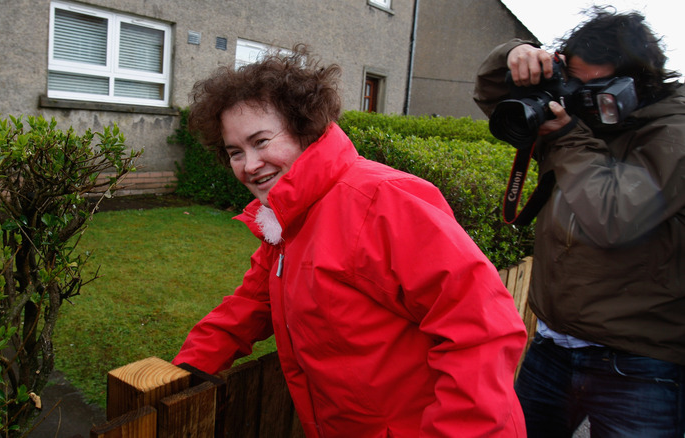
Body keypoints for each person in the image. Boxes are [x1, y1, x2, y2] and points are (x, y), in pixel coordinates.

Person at [172, 45, 528, 437]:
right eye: (235, 152)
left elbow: (482, 329)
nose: (250, 165)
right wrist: (177, 374)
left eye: (260, 142)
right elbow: (249, 306)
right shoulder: (286, 222)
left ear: (304, 128)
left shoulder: (383, 200)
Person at [473, 7, 685, 437]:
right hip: (552, 343)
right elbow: (495, 96)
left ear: (637, 84)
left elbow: (614, 216)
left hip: (638, 362)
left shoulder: (672, 133)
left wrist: (567, 136)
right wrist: (516, 56)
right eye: (571, 82)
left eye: (594, 90)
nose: (574, 99)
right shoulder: (581, 109)